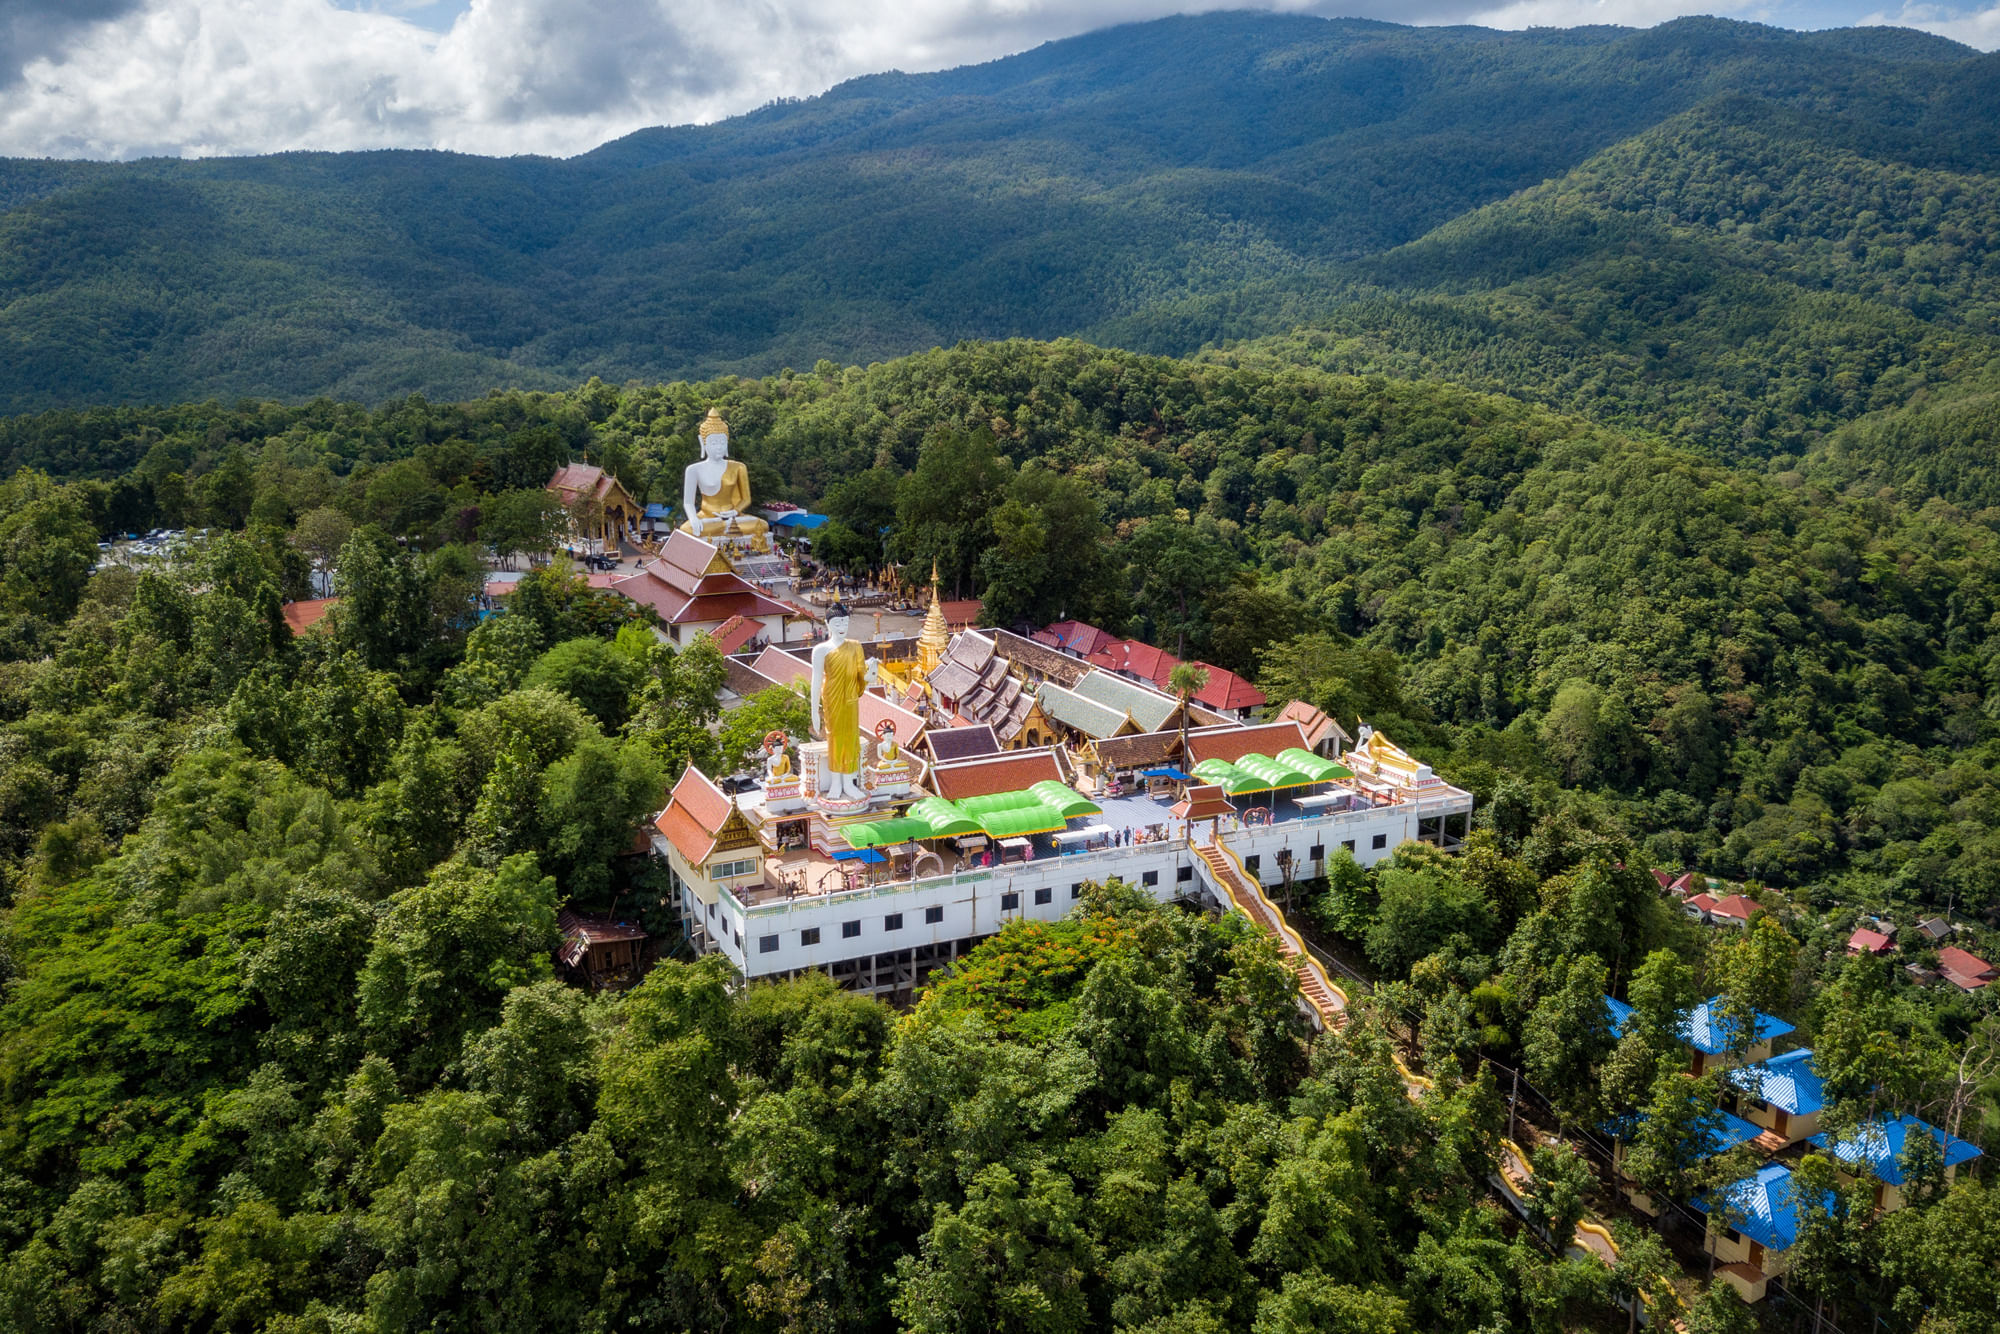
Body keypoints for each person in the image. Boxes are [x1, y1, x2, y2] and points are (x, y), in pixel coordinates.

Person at [809, 602, 876, 801]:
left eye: (845, 622)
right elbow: (815, 680)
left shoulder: (855, 646)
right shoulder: (821, 650)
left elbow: (861, 677)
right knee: (835, 738)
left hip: (851, 698)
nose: (842, 626)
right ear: (827, 624)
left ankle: (849, 782)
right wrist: (814, 710)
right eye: (837, 622)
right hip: (832, 698)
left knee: (851, 738)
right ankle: (836, 783)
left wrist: (871, 674)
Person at [680, 408, 772, 550]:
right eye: (714, 443)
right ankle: (722, 526)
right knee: (688, 529)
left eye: (722, 443)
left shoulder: (738, 467)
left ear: (727, 442)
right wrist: (693, 518)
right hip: (707, 518)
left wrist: (735, 512)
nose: (719, 447)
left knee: (762, 525)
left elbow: (746, 499)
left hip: (735, 518)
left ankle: (725, 526)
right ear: (703, 442)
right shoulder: (694, 470)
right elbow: (688, 503)